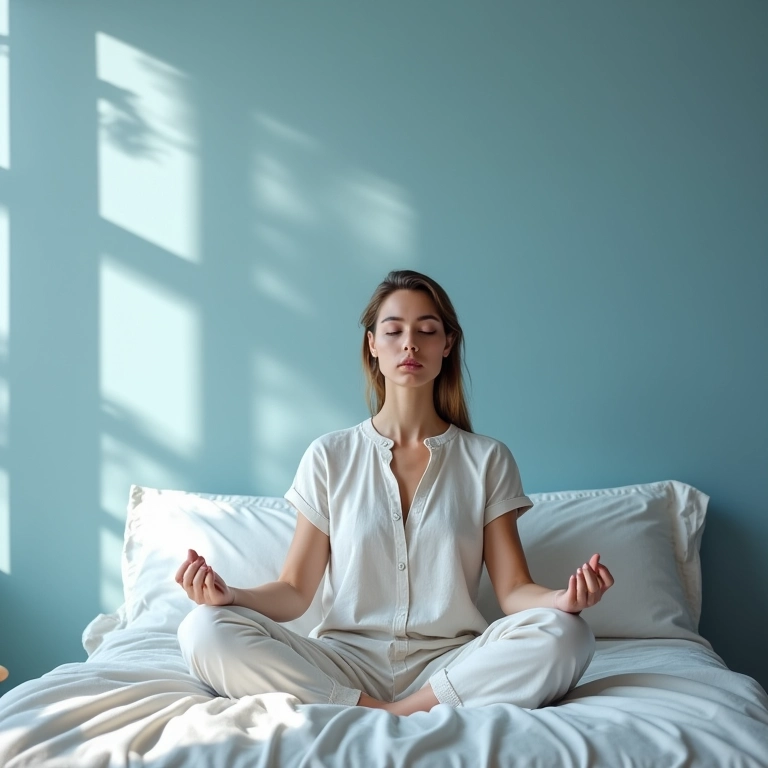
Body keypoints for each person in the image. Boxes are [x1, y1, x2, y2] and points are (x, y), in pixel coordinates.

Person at [175, 269, 614, 715]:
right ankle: (364, 704)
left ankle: (402, 710)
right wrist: (232, 596)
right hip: (342, 662)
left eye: (427, 330)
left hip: (451, 663)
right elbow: (294, 590)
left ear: (447, 346)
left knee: (570, 633)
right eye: (394, 331)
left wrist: (562, 601)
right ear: (372, 345)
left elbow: (514, 589)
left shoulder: (488, 459)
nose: (410, 344)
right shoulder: (330, 455)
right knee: (204, 628)